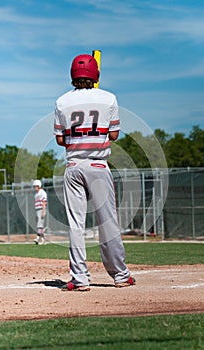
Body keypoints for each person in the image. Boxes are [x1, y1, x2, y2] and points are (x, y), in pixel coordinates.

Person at [54, 53, 135, 291]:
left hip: (73, 166)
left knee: (76, 224)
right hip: (99, 166)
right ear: (95, 75)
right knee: (108, 222)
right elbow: (113, 135)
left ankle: (79, 279)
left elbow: (60, 139)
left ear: (72, 75)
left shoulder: (61, 101)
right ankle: (120, 275)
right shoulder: (108, 98)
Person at [33, 180, 47, 245]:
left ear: (39, 186)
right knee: (40, 225)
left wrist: (43, 211)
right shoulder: (36, 194)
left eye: (36, 186)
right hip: (37, 210)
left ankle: (37, 238)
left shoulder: (42, 192)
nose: (35, 187)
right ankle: (43, 239)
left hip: (41, 209)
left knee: (39, 225)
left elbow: (44, 202)